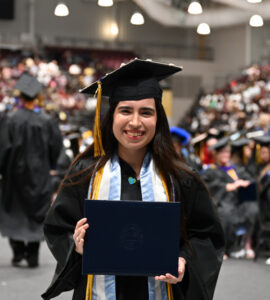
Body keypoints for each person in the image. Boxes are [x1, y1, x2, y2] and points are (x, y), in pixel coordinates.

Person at [42, 59, 225, 300]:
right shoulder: (86, 173)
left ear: (158, 119)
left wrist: (184, 262)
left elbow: (206, 236)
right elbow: (58, 228)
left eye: (146, 112)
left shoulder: (181, 177)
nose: (135, 122)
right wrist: (75, 246)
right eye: (125, 110)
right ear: (112, 116)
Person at [0, 73, 62, 267]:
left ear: (20, 97)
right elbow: (56, 149)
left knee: (15, 213)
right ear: (36, 97)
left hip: (13, 176)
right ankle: (33, 254)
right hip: (39, 176)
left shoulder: (9, 120)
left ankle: (18, 252)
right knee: (36, 213)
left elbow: (3, 148)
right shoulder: (46, 121)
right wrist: (54, 168)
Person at [201, 137, 259, 259]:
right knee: (226, 213)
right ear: (216, 154)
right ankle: (224, 248)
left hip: (240, 201)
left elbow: (250, 179)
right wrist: (228, 186)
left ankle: (248, 245)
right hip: (223, 202)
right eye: (222, 152)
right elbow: (208, 187)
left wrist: (245, 182)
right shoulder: (211, 171)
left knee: (253, 210)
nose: (225, 155)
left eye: (227, 152)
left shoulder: (236, 168)